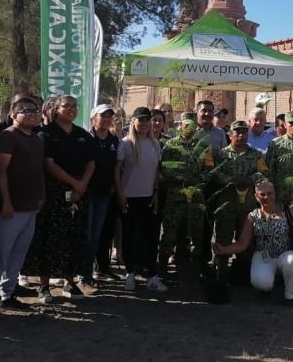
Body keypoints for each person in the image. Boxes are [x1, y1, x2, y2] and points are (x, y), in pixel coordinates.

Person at [0, 98, 46, 317]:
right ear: (14, 115)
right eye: (27, 111)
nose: (33, 114)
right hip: (11, 207)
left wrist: (41, 195)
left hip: (30, 207)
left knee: (18, 254)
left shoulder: (36, 139)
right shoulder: (6, 137)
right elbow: (0, 172)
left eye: (36, 111)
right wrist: (5, 201)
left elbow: (39, 170)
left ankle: (7, 295)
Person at [25, 95, 96, 304]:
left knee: (74, 237)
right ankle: (44, 285)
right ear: (56, 109)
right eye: (67, 106)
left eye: (75, 106)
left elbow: (91, 162)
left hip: (79, 195)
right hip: (53, 194)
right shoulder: (45, 134)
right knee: (49, 237)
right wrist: (74, 183)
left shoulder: (83, 135)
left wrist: (81, 184)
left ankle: (70, 282)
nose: (71, 109)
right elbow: (49, 163)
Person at [213, 179, 293, 304]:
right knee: (262, 283)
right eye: (262, 194)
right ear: (256, 196)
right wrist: (223, 250)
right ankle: (271, 281)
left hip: (285, 254)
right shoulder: (252, 216)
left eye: (270, 193)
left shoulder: (287, 211)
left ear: (275, 194)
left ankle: (290, 295)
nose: (267, 197)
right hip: (263, 256)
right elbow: (242, 244)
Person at [158, 113, 212, 286]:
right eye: (185, 126)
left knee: (197, 234)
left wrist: (197, 179)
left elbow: (209, 169)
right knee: (169, 234)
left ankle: (195, 271)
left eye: (192, 126)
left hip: (196, 197)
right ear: (180, 127)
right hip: (176, 197)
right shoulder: (172, 145)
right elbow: (164, 169)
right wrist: (182, 176)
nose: (188, 129)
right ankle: (162, 270)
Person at [114, 107, 163, 292]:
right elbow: (117, 171)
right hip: (129, 197)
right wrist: (120, 194)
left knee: (150, 237)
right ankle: (130, 273)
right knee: (129, 236)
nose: (143, 123)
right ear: (133, 121)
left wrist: (156, 192)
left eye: (146, 120)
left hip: (148, 197)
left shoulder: (155, 144)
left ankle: (151, 275)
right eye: (140, 120)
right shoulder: (125, 144)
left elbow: (156, 171)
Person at [212, 120, 268, 272]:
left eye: (244, 132)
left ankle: (243, 272)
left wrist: (250, 179)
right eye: (237, 132)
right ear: (230, 135)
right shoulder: (221, 154)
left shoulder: (256, 155)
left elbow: (264, 172)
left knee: (246, 239)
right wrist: (230, 180)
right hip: (226, 204)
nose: (241, 135)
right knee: (223, 237)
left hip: (248, 205)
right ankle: (220, 271)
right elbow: (214, 172)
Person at [83, 104, 119, 286]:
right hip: (87, 194)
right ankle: (83, 274)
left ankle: (89, 274)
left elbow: (116, 168)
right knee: (86, 235)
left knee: (96, 235)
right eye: (102, 116)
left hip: (105, 195)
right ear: (93, 119)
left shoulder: (114, 141)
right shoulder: (86, 139)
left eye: (109, 117)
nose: (106, 119)